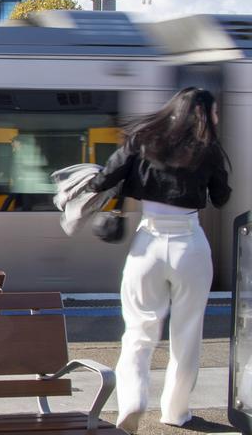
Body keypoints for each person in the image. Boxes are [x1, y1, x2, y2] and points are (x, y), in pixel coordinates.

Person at [87, 87, 230, 432]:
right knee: (187, 334)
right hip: (190, 246)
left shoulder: (142, 140)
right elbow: (222, 197)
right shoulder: (208, 150)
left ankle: (132, 401)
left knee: (138, 332)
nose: (216, 118)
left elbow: (103, 180)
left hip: (147, 245)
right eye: (214, 112)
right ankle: (176, 411)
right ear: (202, 113)